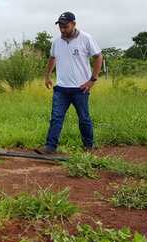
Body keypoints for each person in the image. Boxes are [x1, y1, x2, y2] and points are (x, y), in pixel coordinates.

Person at [35, 12, 103, 155]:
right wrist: (47, 76)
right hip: (61, 88)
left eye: (65, 26)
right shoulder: (56, 42)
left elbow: (98, 57)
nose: (62, 29)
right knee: (56, 117)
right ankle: (50, 147)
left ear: (74, 24)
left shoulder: (86, 38)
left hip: (80, 88)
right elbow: (52, 58)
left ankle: (88, 147)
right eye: (60, 26)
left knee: (84, 118)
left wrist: (92, 80)